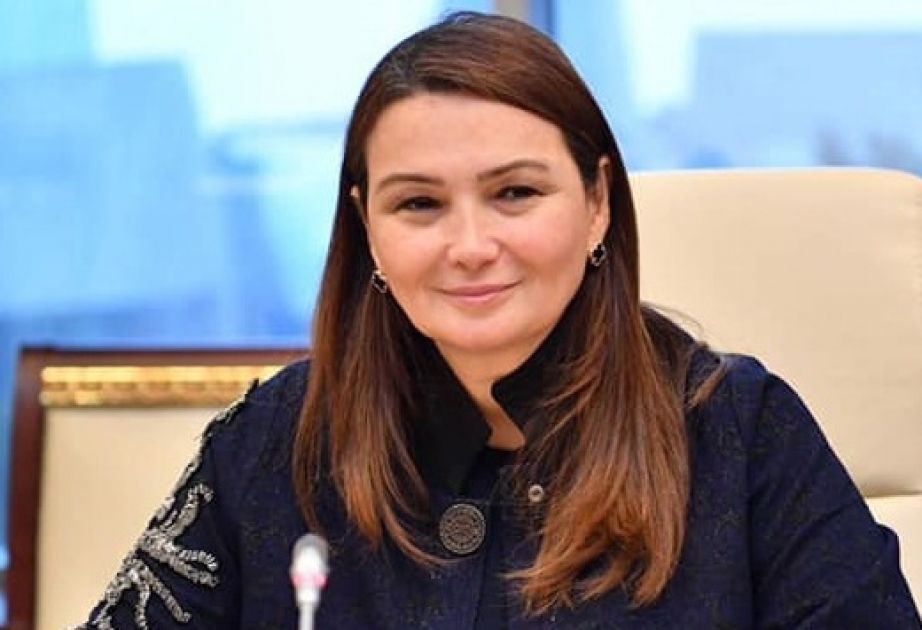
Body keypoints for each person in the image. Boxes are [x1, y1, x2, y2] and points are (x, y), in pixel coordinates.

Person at [82, 12, 920, 629]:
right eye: (419, 204)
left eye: (515, 193)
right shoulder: (274, 441)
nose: (471, 246)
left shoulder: (744, 432)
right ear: (367, 226)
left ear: (597, 204)